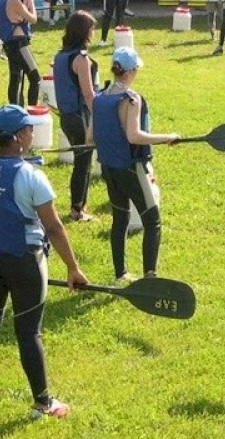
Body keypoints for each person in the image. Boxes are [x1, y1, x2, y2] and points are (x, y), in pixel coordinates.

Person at [0, 104, 87, 420]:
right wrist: (73, 268)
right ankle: (43, 404)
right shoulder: (31, 175)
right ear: (18, 137)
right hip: (23, 263)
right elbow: (54, 227)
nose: (33, 132)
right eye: (29, 128)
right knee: (29, 331)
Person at [92, 47, 181, 282]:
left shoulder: (99, 97)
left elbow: (91, 137)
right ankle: (150, 277)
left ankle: (120, 274)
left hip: (108, 168)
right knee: (153, 221)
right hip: (131, 168)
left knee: (119, 219)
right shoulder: (131, 99)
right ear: (131, 71)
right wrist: (166, 137)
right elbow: (134, 136)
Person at [52, 11, 100, 222]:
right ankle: (77, 210)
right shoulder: (81, 58)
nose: (93, 33)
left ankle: (79, 207)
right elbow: (89, 94)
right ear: (83, 32)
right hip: (80, 116)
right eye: (91, 29)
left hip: (65, 116)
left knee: (82, 162)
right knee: (83, 164)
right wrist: (100, 117)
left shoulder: (60, 56)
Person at [0, 0, 41, 106]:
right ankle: (31, 109)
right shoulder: (14, 1)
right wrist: (32, 2)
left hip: (9, 43)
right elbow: (33, 18)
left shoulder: (2, 0)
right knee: (35, 78)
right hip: (19, 44)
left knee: (15, 78)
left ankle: (15, 108)